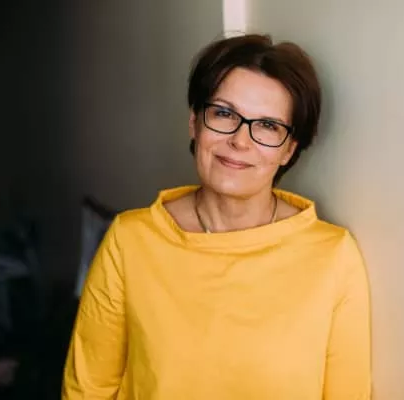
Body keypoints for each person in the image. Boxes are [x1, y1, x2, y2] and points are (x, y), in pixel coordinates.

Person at [62, 33, 371, 399]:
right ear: (195, 122)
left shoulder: (332, 256)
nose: (240, 141)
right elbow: (87, 390)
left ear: (289, 150)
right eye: (224, 113)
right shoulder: (130, 240)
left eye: (268, 125)